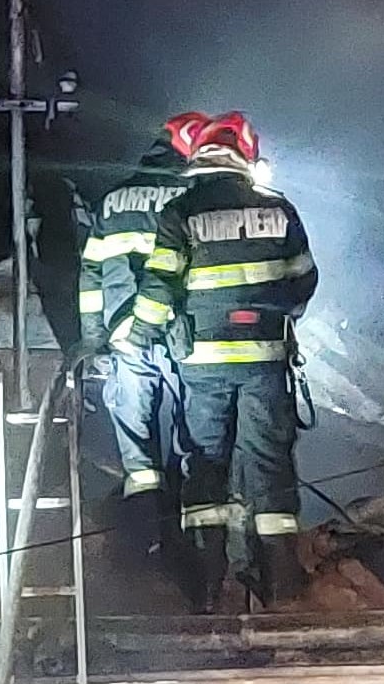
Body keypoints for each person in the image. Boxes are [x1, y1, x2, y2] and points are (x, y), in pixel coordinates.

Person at [125, 112, 318, 609]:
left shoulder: (181, 212)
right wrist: (274, 314)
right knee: (269, 462)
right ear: (243, 158)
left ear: (200, 158)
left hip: (204, 365)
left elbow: (160, 285)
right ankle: (281, 583)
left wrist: (139, 335)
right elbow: (303, 281)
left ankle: (207, 586)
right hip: (265, 362)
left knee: (205, 464)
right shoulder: (279, 210)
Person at [76, 111, 210, 556]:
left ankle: (144, 540)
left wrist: (94, 337)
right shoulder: (193, 198)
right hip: (181, 332)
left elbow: (91, 276)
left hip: (123, 335)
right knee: (192, 428)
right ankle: (191, 539)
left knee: (136, 444)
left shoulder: (113, 199)